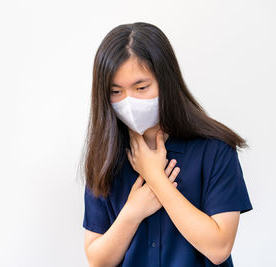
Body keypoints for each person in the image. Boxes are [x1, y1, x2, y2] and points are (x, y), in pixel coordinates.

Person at [81, 22, 253, 267]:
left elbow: (219, 247)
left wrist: (156, 178)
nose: (128, 101)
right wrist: (132, 212)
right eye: (116, 91)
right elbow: (97, 260)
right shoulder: (106, 157)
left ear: (167, 81)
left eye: (141, 88)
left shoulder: (215, 150)